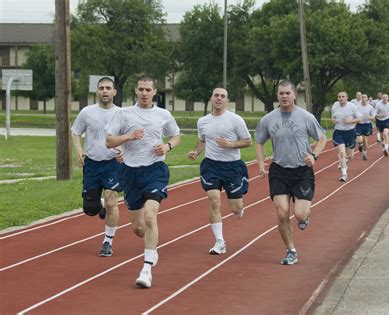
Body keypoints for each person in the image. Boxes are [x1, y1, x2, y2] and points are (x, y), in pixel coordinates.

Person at [105, 75, 181, 288]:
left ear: (154, 92)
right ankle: (152, 248)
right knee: (139, 228)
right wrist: (128, 137)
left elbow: (176, 136)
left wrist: (168, 147)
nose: (145, 93)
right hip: (130, 173)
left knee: (150, 216)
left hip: (155, 170)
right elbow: (109, 140)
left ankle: (146, 269)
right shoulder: (124, 114)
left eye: (148, 89)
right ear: (136, 91)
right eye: (141, 89)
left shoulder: (163, 114)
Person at [255, 80, 327, 265]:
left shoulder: (306, 117)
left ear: (295, 95)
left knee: (300, 214)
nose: (284, 96)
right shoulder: (269, 119)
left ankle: (305, 217)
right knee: (282, 213)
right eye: (281, 94)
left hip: (302, 171)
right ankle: (291, 251)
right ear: (278, 96)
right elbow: (259, 141)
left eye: (288, 93)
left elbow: (322, 138)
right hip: (279, 170)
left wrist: (314, 155)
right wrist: (261, 164)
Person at [187, 87, 251, 255]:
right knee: (213, 199)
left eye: (223, 96)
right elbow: (202, 140)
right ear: (211, 98)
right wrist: (196, 151)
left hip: (232, 166)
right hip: (211, 166)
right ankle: (220, 241)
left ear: (227, 100)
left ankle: (239, 207)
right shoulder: (203, 122)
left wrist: (231, 144)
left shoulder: (235, 120)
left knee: (235, 209)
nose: (219, 98)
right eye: (216, 95)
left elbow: (247, 141)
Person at [71, 77, 123, 257]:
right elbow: (75, 132)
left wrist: (125, 152)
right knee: (89, 209)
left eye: (108, 88)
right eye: (101, 88)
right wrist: (79, 151)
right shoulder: (87, 112)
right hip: (92, 164)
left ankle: (107, 242)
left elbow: (130, 138)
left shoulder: (122, 114)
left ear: (114, 92)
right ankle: (98, 205)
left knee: (111, 201)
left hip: (113, 164)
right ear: (97, 92)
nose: (105, 91)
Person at [331, 91, 362, 181]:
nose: (341, 98)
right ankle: (344, 174)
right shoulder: (335, 105)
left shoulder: (352, 106)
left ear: (347, 98)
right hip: (338, 132)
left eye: (343, 96)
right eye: (339, 96)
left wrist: (350, 122)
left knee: (350, 156)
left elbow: (359, 119)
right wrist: (333, 120)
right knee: (341, 153)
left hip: (350, 132)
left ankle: (344, 161)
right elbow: (333, 117)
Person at [355, 94, 375, 161]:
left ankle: (364, 153)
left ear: (367, 99)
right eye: (362, 97)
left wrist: (369, 117)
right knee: (360, 140)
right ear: (361, 98)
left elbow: (373, 117)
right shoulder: (357, 107)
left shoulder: (370, 107)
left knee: (365, 141)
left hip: (367, 125)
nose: (363, 98)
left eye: (365, 97)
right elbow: (354, 115)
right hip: (359, 125)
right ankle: (360, 145)